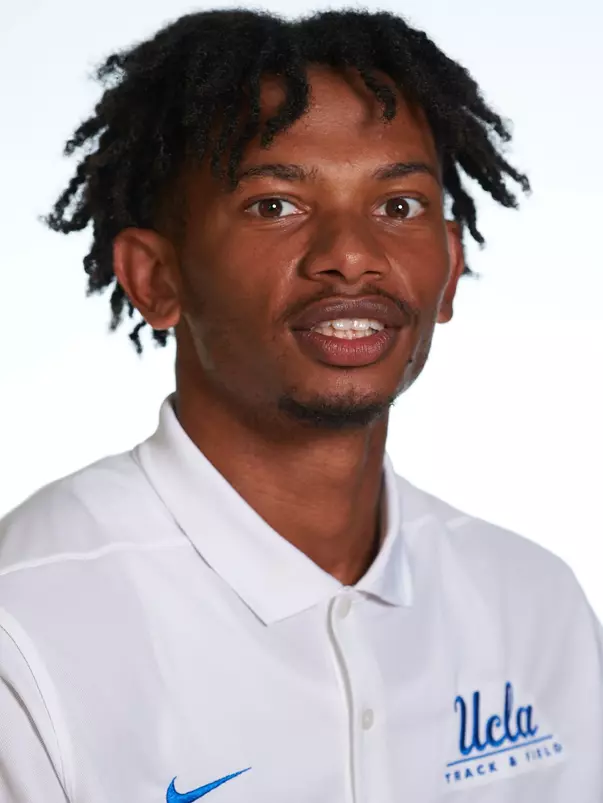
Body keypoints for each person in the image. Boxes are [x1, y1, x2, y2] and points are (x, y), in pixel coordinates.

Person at [0, 7, 601, 803]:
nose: (351, 254)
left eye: (399, 206)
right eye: (275, 205)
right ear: (155, 278)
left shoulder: (533, 602)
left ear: (450, 266)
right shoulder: (27, 623)